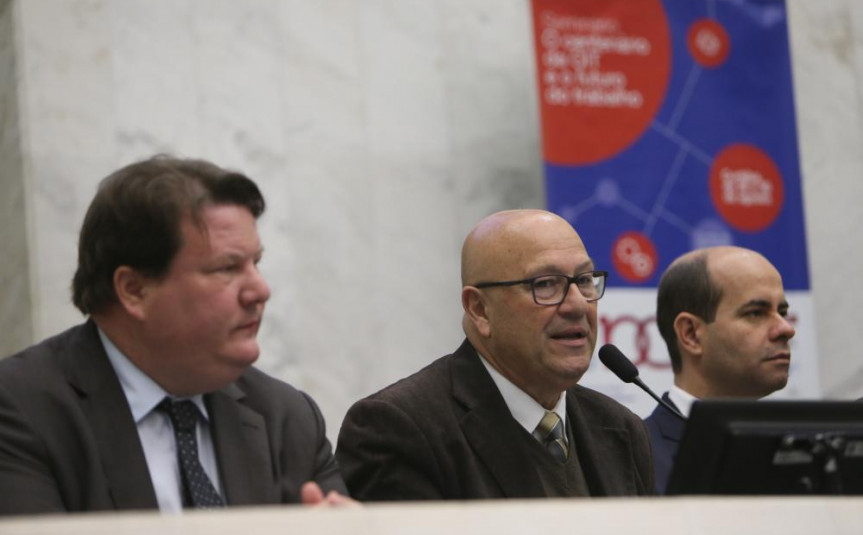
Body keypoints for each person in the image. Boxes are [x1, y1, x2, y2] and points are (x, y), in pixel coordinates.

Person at [0, 156, 351, 515]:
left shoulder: (287, 418)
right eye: (227, 268)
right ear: (134, 290)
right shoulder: (20, 412)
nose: (260, 290)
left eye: (255, 263)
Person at [336, 209, 654, 500]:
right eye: (545, 284)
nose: (577, 304)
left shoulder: (620, 428)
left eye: (583, 280)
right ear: (480, 309)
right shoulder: (399, 429)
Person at [645, 246, 795, 494]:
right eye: (756, 313)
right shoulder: (633, 458)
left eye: (782, 312)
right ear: (691, 334)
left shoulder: (812, 453)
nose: (787, 329)